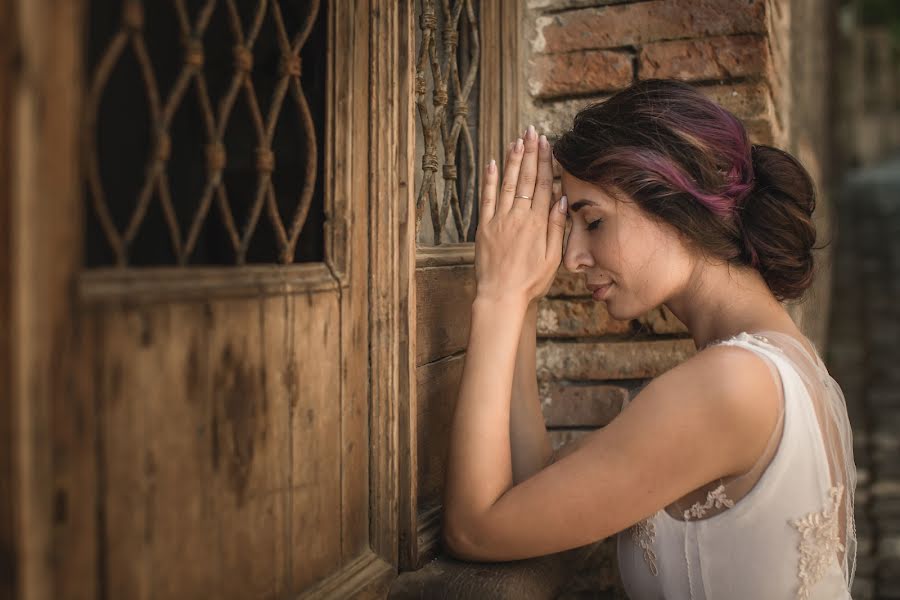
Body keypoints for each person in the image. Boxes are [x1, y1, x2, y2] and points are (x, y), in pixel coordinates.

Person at [441, 78, 856, 600]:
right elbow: (529, 496)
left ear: (675, 204)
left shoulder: (730, 384)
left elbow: (475, 530)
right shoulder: (778, 362)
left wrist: (495, 296)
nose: (572, 259)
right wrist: (523, 303)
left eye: (592, 221)